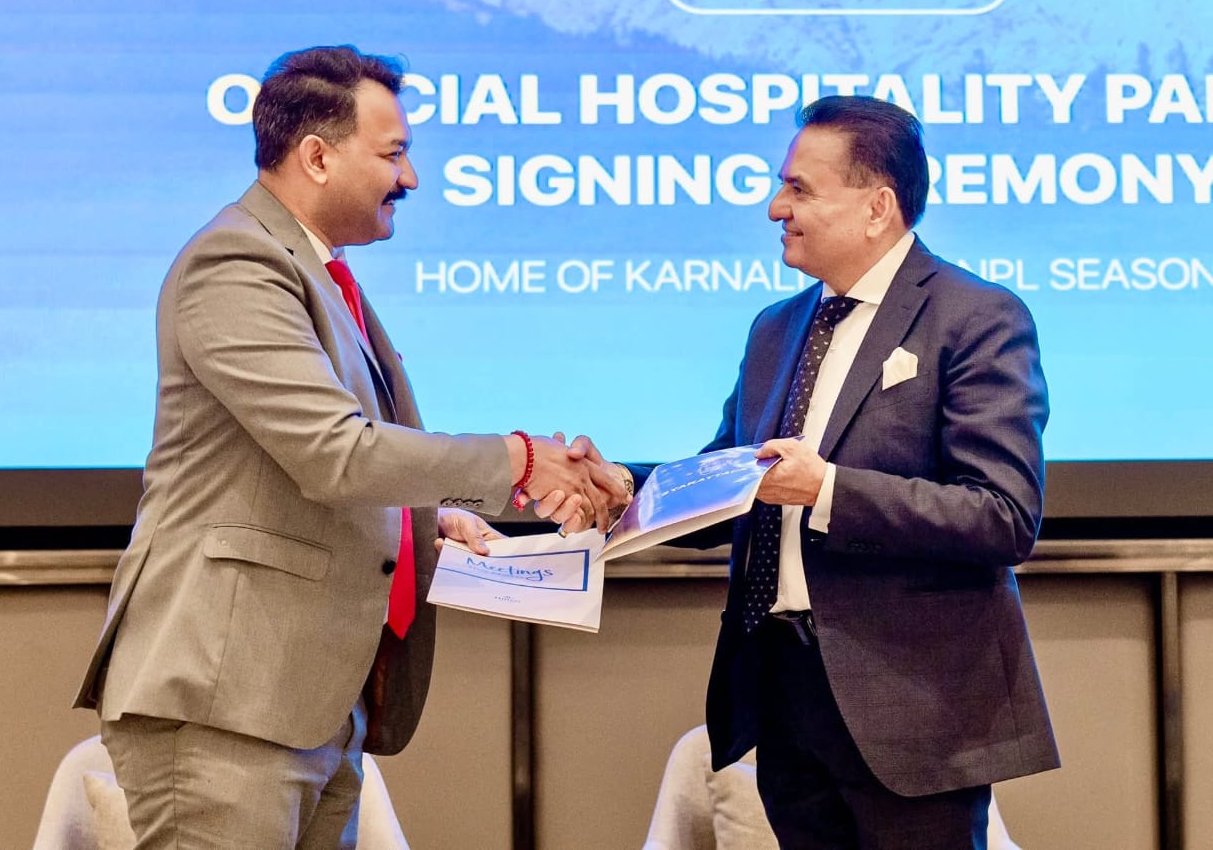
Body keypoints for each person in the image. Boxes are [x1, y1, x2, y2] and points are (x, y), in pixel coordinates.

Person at [74, 45, 625, 849]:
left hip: (309, 706)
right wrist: (521, 458)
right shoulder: (236, 261)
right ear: (317, 157)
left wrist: (421, 522)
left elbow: (303, 468)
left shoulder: (318, 271)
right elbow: (336, 454)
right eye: (394, 153)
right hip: (226, 703)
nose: (411, 177)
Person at [577, 94, 1058, 847]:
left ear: (877, 208)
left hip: (914, 709)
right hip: (786, 696)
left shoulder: (975, 317)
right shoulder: (776, 327)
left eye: (799, 189)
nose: (776, 208)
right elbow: (731, 476)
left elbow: (1002, 514)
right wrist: (628, 490)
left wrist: (827, 489)